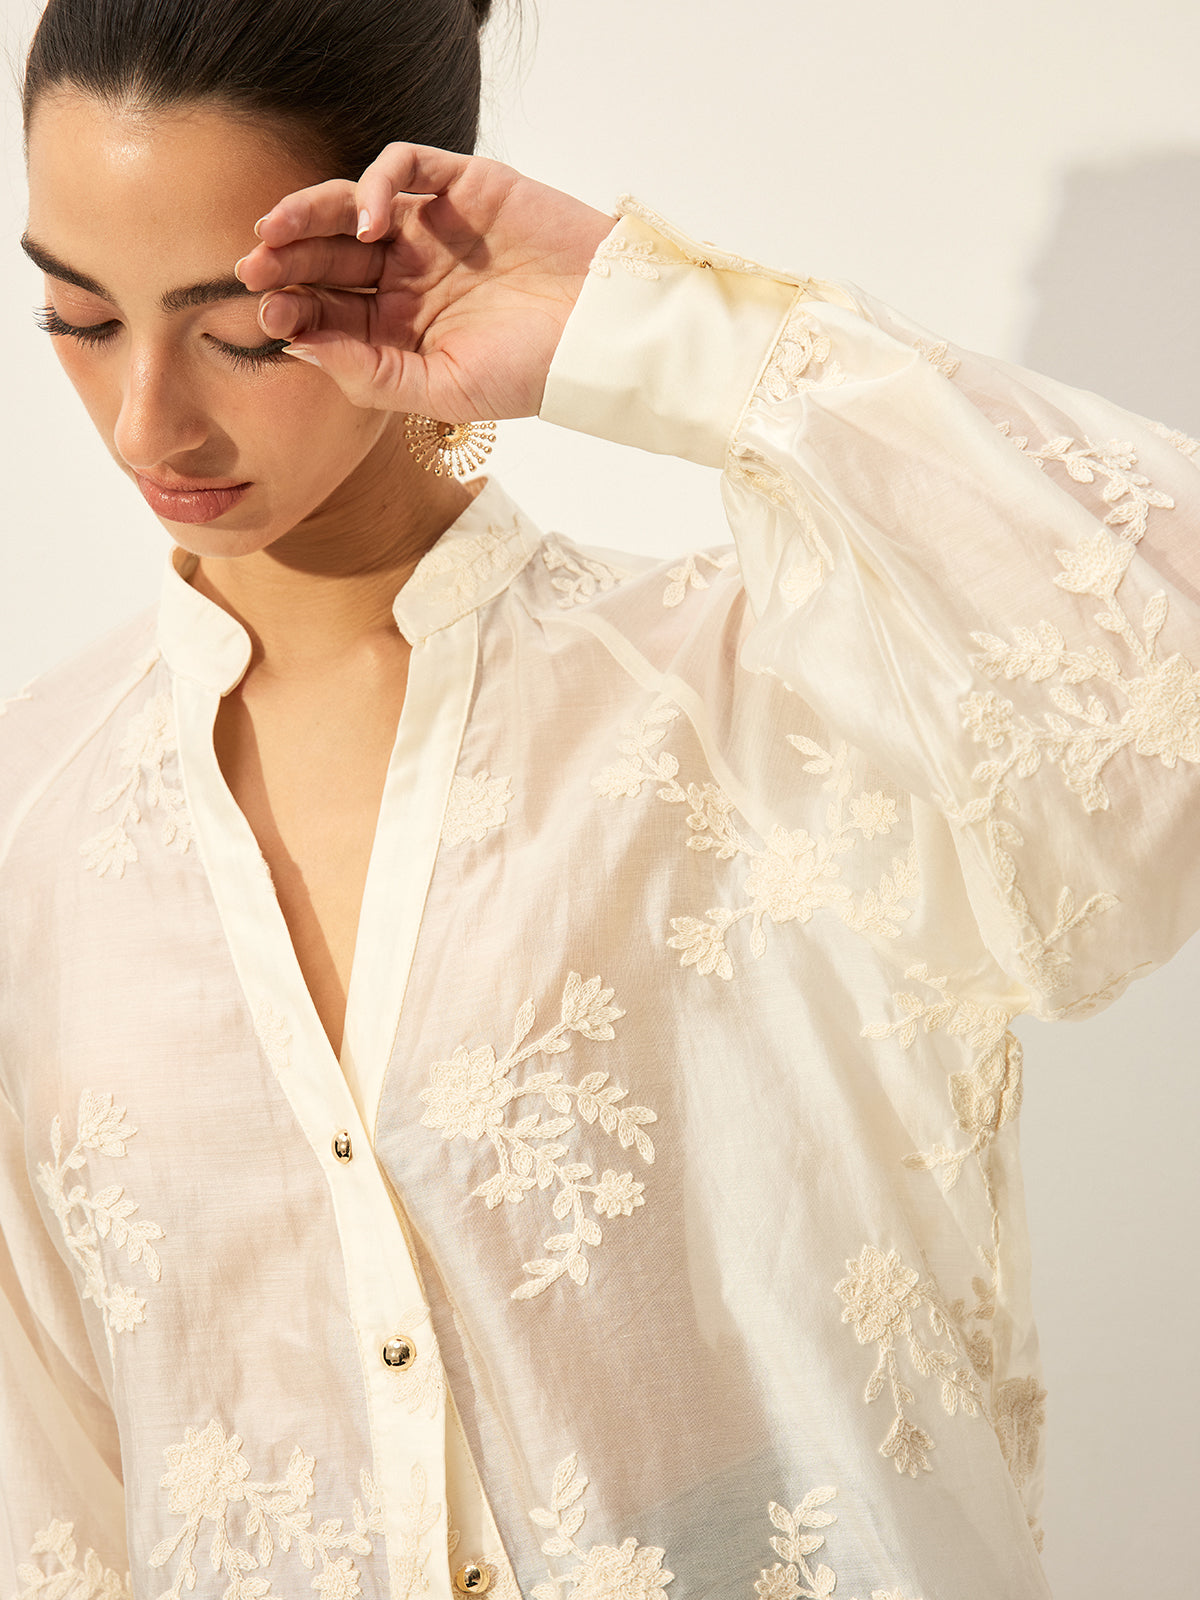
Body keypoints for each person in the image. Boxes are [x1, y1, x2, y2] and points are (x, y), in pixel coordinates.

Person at [3, 0, 1197, 1596]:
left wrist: (650, 328)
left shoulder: (737, 706)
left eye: (243, 331)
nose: (146, 419)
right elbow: (59, 1491)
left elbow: (1161, 670)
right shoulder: (32, 832)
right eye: (78, 318)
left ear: (391, 253)